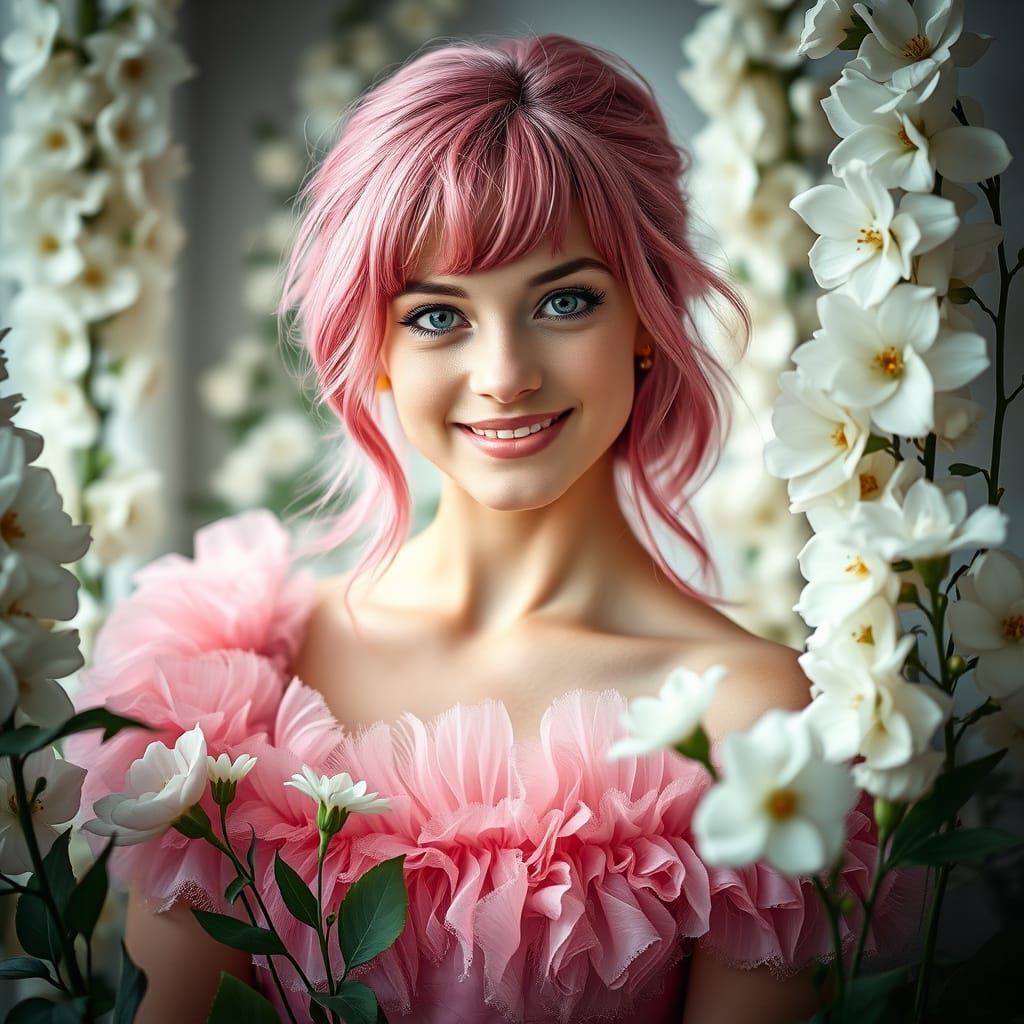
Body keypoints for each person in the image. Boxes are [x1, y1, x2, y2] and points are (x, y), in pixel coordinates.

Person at [65, 33, 923, 1024]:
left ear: (646, 317)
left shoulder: (752, 721)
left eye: (562, 300)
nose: (504, 372)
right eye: (437, 315)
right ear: (372, 342)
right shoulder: (227, 671)